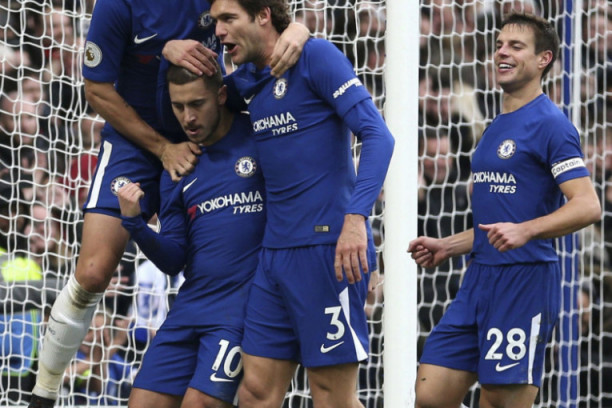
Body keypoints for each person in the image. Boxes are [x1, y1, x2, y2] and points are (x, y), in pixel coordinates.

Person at [27, 0, 309, 406]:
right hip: (137, 140)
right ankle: (45, 390)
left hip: (208, 122)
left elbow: (262, 19)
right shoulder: (118, 6)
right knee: (92, 272)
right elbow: (96, 89)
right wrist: (161, 146)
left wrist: (298, 30)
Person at [407, 13, 601, 408]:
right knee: (430, 395)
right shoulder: (496, 125)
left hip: (524, 280)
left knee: (498, 402)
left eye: (515, 46)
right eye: (498, 45)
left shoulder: (552, 124)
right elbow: (497, 224)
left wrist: (526, 230)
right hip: (479, 278)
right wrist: (449, 245)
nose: (502, 52)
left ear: (543, 59)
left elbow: (588, 205)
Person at [208, 0, 395, 406]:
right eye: (215, 21)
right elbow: (192, 101)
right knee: (255, 393)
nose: (219, 31)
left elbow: (379, 136)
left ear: (263, 15)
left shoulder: (317, 57)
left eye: (228, 19)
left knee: (331, 396)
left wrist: (355, 220)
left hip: (328, 250)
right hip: (274, 255)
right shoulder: (247, 79)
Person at [118, 63, 265, 408]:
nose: (188, 117)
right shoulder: (179, 166)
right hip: (189, 308)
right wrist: (135, 224)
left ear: (222, 95)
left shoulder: (260, 137)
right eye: (179, 107)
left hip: (241, 311)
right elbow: (174, 260)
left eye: (197, 104)